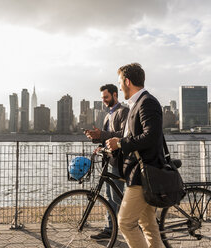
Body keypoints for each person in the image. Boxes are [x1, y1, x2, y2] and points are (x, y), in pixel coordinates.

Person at [106, 63, 165, 248]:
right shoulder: (137, 104)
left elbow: (151, 136)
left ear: (127, 81)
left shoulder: (147, 102)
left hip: (143, 174)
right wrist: (115, 144)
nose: (120, 86)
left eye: (120, 82)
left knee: (124, 222)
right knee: (148, 225)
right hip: (138, 173)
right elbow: (134, 137)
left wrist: (121, 143)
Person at [84, 83, 129, 239]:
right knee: (110, 196)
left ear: (115, 95)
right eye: (102, 98)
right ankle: (110, 229)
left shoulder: (124, 111)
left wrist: (101, 134)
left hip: (119, 161)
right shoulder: (108, 115)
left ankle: (122, 227)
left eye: (106, 97)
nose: (103, 100)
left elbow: (123, 134)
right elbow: (105, 138)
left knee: (117, 197)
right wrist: (95, 138)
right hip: (108, 161)